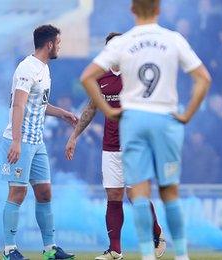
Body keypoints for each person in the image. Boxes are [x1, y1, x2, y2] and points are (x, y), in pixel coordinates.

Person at [79, 0, 212, 259]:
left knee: (138, 192)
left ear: (132, 10)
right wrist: (186, 114)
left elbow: (86, 77)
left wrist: (109, 112)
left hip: (134, 122)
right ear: (159, 10)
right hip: (165, 119)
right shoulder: (173, 39)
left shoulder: (122, 42)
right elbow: (204, 78)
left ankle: (146, 254)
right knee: (169, 191)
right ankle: (181, 254)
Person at [65, 32, 167, 260]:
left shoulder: (138, 76)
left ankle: (156, 232)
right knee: (113, 195)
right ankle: (115, 250)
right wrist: (74, 136)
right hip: (110, 147)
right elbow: (91, 109)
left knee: (135, 195)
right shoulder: (101, 77)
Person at [1, 24, 77, 260]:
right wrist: (16, 141)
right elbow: (18, 105)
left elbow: (39, 105)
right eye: (59, 43)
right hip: (20, 141)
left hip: (37, 142)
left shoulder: (44, 68)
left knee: (44, 193)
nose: (60, 47)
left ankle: (49, 249)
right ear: (50, 44)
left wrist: (62, 113)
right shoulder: (27, 68)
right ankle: (9, 250)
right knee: (17, 193)